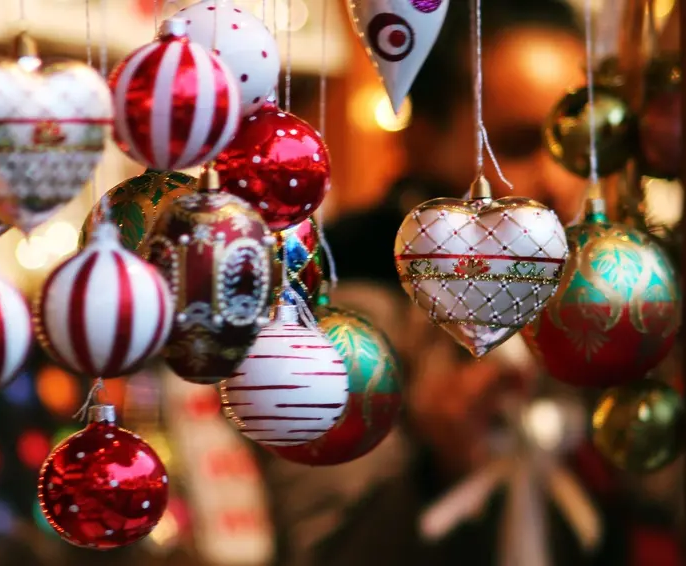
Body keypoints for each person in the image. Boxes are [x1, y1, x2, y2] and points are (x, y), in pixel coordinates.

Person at [265, 1, 683, 565]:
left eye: (577, 145)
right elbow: (327, 548)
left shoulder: (613, 291)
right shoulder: (345, 310)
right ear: (422, 139)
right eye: (513, 144)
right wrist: (436, 463)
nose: (556, 183)